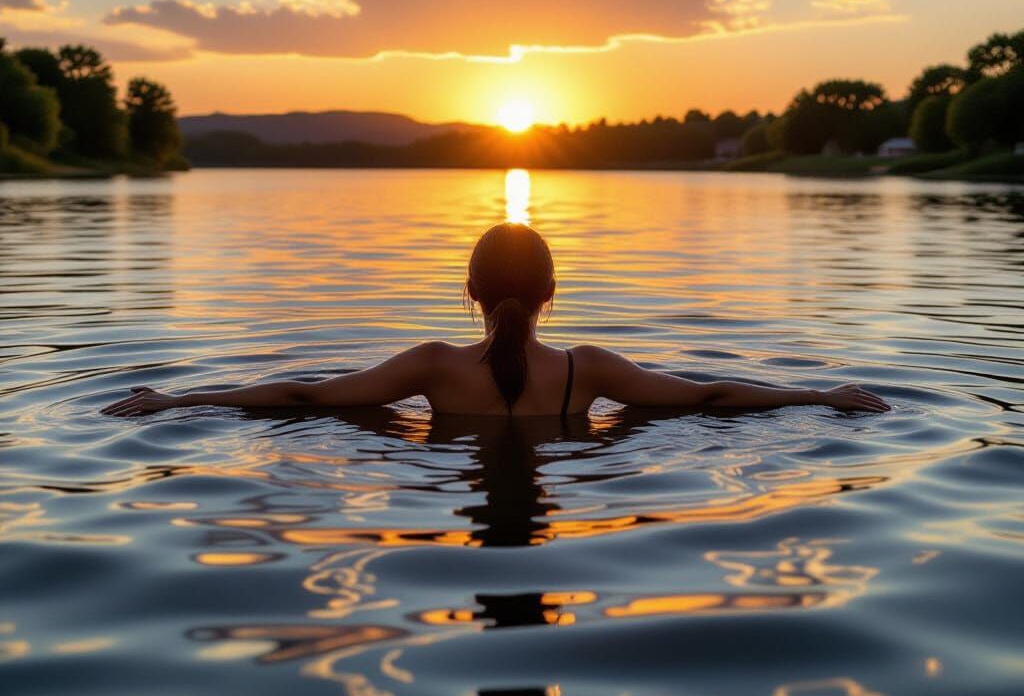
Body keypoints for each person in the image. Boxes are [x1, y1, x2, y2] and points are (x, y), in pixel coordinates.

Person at [104, 223, 890, 418]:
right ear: (553, 292)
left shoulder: (434, 366)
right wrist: (822, 400)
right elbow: (708, 397)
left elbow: (308, 398)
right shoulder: (588, 369)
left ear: (469, 290)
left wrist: (180, 402)